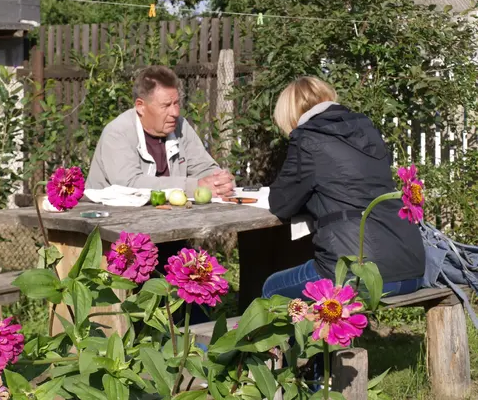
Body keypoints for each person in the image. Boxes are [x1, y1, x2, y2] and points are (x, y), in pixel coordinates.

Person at [262, 76, 425, 300]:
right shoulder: (367, 129)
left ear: (290, 114)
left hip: (359, 274)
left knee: (272, 288)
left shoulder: (307, 139)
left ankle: (295, 336)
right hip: (412, 268)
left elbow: (281, 203)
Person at [86, 65, 234, 198]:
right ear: (140, 106)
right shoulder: (117, 133)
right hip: (112, 219)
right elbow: (130, 185)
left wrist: (219, 182)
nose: (175, 112)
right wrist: (193, 187)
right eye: (166, 105)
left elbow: (204, 167)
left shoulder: (180, 126)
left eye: (176, 103)